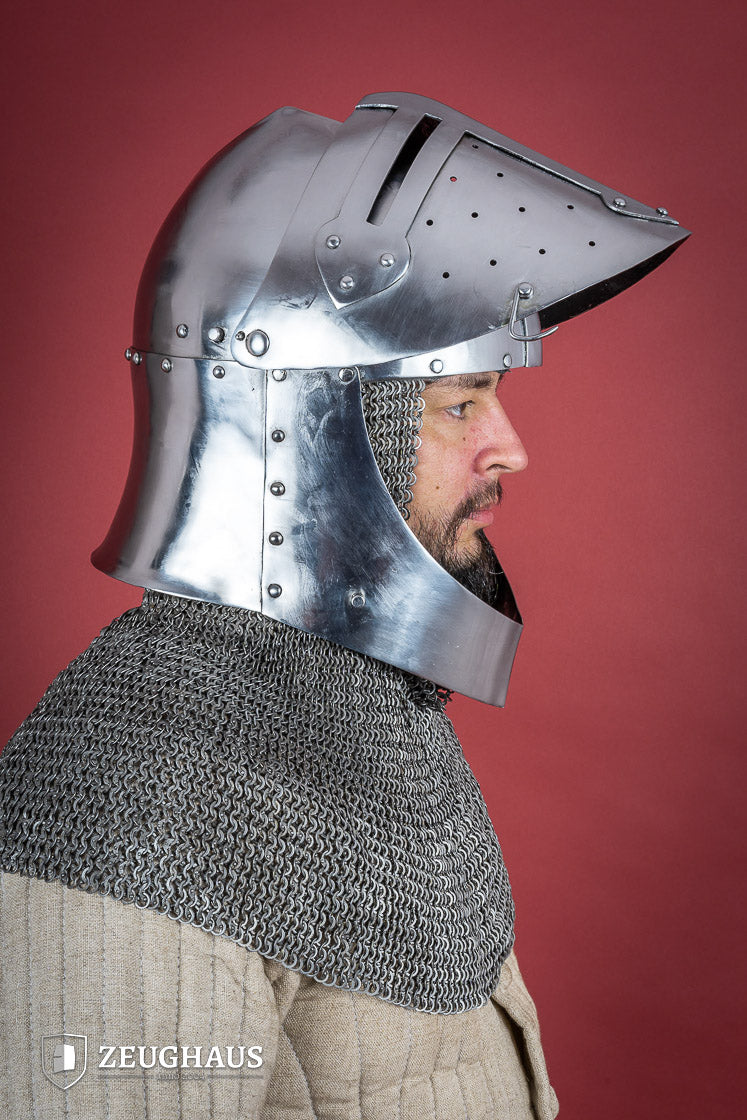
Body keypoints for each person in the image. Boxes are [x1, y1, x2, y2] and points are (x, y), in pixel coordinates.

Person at [0, 91, 688, 1119]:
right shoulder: (137, 789)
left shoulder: (366, 713)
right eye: (459, 403)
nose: (509, 449)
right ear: (312, 427)